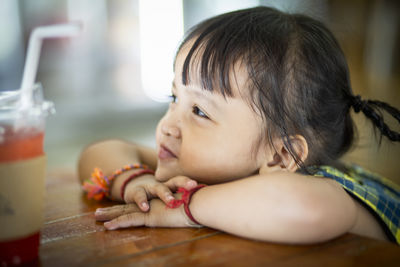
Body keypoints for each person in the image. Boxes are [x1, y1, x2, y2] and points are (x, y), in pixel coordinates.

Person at [78, 6, 400, 244]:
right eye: (174, 97)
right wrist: (136, 184)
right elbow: (99, 152)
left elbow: (307, 207)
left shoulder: (319, 190)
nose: (168, 126)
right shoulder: (203, 165)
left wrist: (182, 208)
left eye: (200, 112)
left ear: (281, 156)